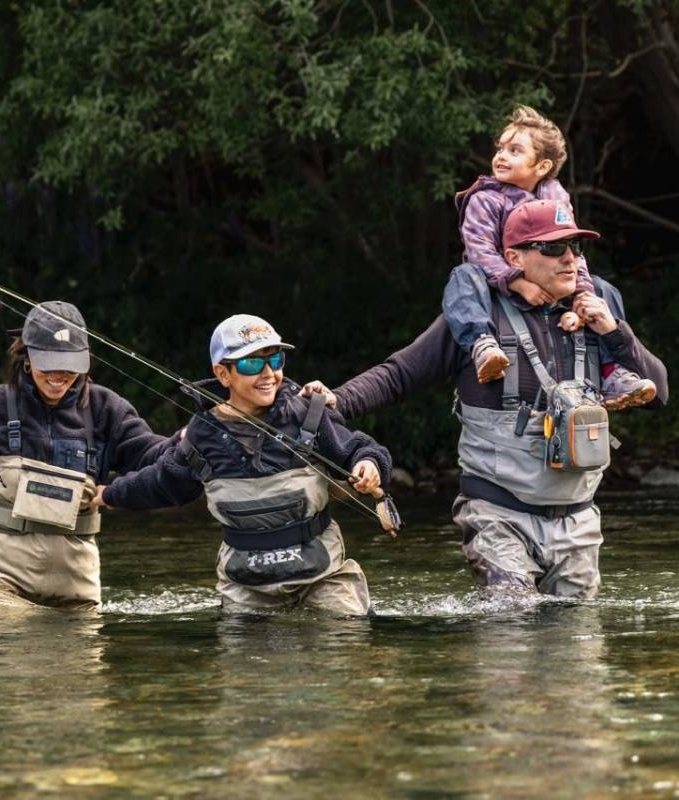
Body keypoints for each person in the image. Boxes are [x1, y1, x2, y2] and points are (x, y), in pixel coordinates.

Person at [316, 200, 668, 599]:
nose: (570, 259)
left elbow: (659, 393)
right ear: (513, 257)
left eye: (575, 247)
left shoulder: (596, 310)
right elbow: (399, 375)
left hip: (578, 521)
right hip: (497, 515)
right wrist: (333, 401)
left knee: (576, 647)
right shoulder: (476, 316)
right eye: (553, 248)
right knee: (510, 624)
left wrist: (614, 331)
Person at [90, 314, 393, 616]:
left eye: (274, 360)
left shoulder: (307, 412)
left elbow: (359, 448)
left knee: (345, 638)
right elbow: (162, 484)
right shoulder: (200, 435)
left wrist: (368, 464)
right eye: (251, 364)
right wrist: (109, 494)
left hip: (322, 576)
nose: (268, 374)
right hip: (246, 585)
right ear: (223, 374)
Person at [0, 301, 174, 609]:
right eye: (48, 363)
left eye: (69, 364)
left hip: (75, 585)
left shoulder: (107, 410)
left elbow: (153, 457)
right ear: (26, 357)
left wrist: (185, 443)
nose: (59, 374)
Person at [444, 105, 655, 409]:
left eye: (514, 150)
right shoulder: (484, 197)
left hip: (553, 282)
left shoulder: (554, 194)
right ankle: (483, 345)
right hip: (497, 282)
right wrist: (518, 283)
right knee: (462, 276)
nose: (501, 156)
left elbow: (570, 251)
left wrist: (580, 299)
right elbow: (479, 251)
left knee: (601, 288)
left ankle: (613, 373)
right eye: (500, 148)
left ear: (541, 166)